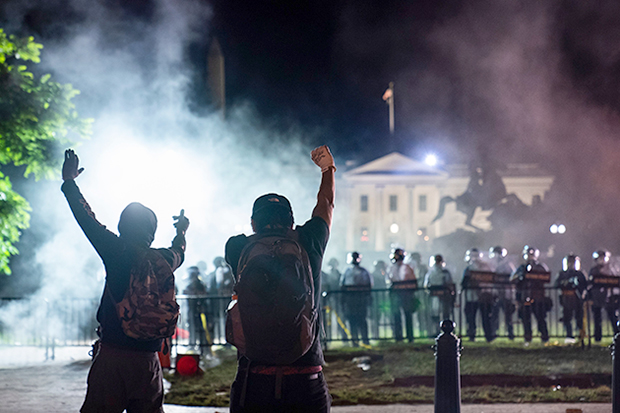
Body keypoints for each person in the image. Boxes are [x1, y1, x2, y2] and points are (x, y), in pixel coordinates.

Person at [61, 149, 189, 413]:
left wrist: (70, 183)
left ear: (122, 226)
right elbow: (181, 251)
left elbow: (87, 220)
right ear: (151, 233)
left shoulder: (116, 251)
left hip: (112, 359)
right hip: (148, 362)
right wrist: (181, 230)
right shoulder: (165, 259)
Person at [225, 145, 335, 413]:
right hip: (305, 374)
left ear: (253, 223)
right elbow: (326, 206)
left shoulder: (237, 247)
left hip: (254, 376)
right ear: (292, 222)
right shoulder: (309, 241)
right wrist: (327, 170)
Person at [510, 245, 550, 344]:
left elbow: (546, 278)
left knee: (540, 318)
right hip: (525, 297)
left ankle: (544, 337)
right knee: (525, 318)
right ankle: (528, 337)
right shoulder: (521, 268)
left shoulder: (541, 267)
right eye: (528, 255)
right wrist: (520, 277)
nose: (530, 257)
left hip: (538, 297)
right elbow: (512, 279)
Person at [340, 252, 373, 346]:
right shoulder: (347, 271)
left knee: (361, 320)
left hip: (360, 299)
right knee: (353, 320)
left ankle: (364, 340)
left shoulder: (363, 271)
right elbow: (342, 286)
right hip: (351, 299)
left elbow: (368, 286)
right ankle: (355, 341)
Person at [461, 248, 494, 342]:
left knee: (485, 317)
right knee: (473, 317)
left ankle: (487, 336)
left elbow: (490, 280)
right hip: (473, 297)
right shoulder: (469, 268)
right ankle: (475, 335)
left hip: (483, 297)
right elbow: (464, 283)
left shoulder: (484, 267)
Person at [555, 254, 587, 343]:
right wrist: (566, 283)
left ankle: (581, 335)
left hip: (577, 299)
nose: (571, 265)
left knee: (579, 317)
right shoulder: (562, 274)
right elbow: (556, 284)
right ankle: (569, 335)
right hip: (566, 299)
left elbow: (585, 285)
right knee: (567, 318)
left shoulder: (580, 274)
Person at [387, 248, 417, 342]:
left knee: (407, 315)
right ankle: (399, 337)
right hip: (397, 294)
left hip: (405, 294)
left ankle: (409, 337)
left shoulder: (407, 268)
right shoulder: (392, 268)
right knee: (397, 316)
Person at [588, 249, 619, 341]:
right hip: (597, 297)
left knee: (613, 317)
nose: (601, 260)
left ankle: (617, 336)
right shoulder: (593, 270)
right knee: (597, 319)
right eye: (599, 258)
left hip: (609, 297)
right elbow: (590, 284)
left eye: (603, 258)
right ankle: (597, 337)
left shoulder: (611, 269)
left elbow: (615, 281)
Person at [489, 246, 516, 340]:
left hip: (506, 293)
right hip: (495, 293)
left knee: (508, 316)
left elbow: (513, 277)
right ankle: (493, 333)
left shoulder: (508, 265)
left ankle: (510, 333)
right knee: (494, 315)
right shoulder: (490, 265)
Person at [423, 254, 455, 335]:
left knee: (445, 314)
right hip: (434, 296)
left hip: (444, 296)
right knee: (435, 314)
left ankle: (447, 331)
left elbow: (449, 283)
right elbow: (426, 284)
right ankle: (436, 330)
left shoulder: (446, 272)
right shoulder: (430, 273)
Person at [183, 266, 209, 352]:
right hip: (191, 309)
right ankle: (192, 344)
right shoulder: (189, 284)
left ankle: (203, 346)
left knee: (200, 328)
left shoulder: (200, 284)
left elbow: (203, 294)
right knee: (191, 327)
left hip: (199, 310)